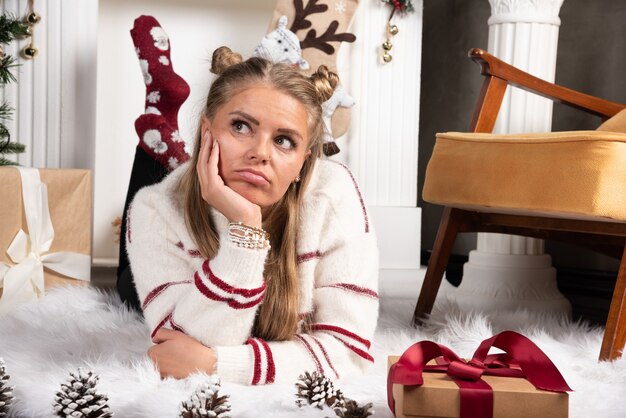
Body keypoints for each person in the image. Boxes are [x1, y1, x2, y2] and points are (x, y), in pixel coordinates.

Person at [123, 46, 379, 385]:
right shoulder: (154, 210)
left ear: (306, 162)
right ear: (206, 131)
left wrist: (218, 365)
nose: (259, 153)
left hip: (209, 275)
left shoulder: (335, 193)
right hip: (174, 246)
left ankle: (166, 133)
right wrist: (245, 234)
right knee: (125, 286)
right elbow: (178, 353)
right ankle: (160, 125)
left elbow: (348, 355)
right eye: (241, 126)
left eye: (285, 141)